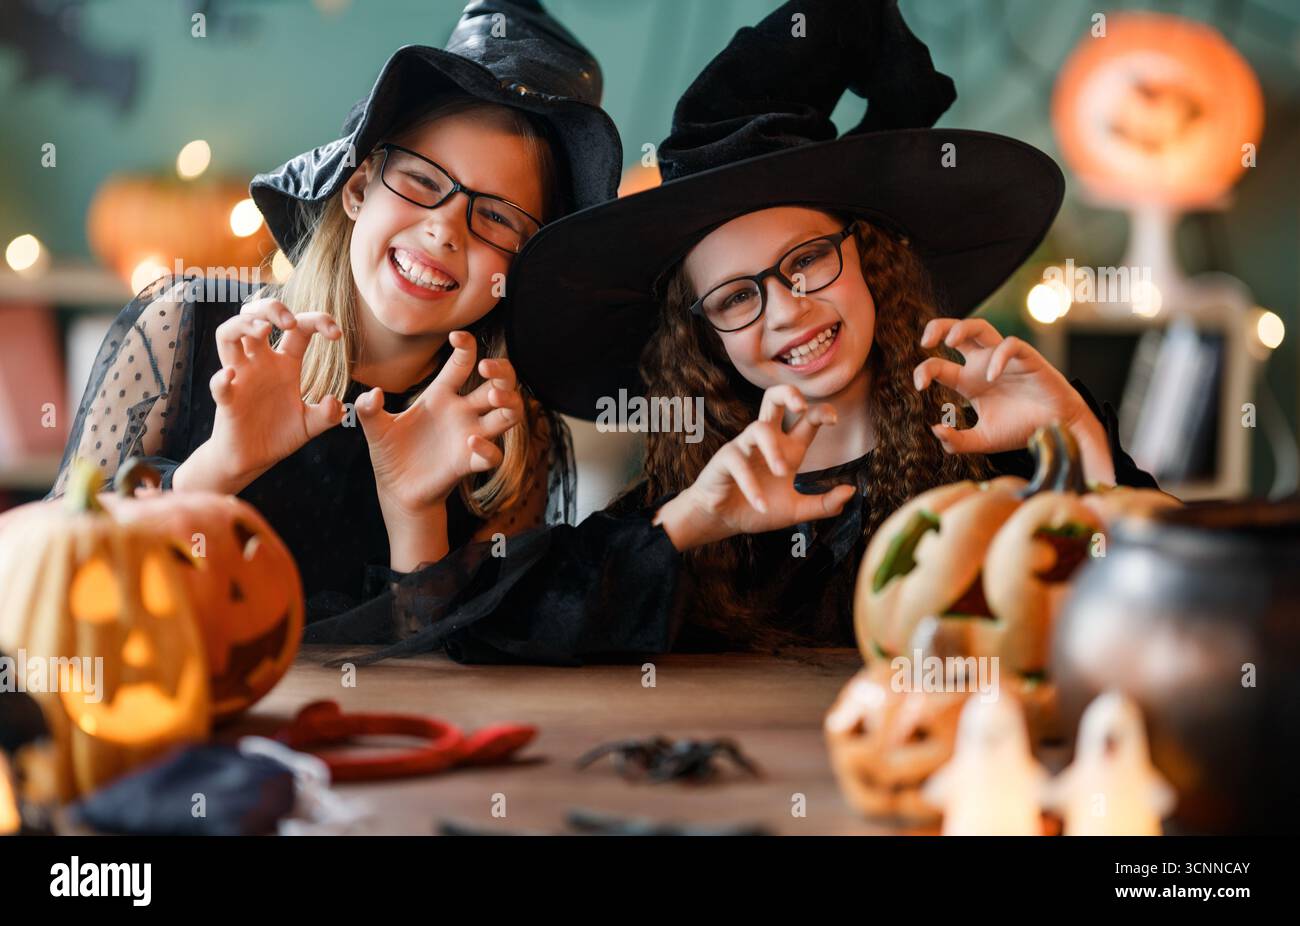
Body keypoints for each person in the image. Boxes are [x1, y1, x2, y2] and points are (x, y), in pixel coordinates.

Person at [308, 0, 1162, 664]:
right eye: (734, 298)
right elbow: (483, 636)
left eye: (806, 262)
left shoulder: (1011, 435)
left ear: (866, 256)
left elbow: (1201, 599)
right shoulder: (708, 491)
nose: (786, 310)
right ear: (703, 334)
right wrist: (689, 523)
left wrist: (1079, 444)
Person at [46, 1, 622, 620]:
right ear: (356, 189)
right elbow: (52, 582)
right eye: (425, 183)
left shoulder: (502, 428)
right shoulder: (180, 329)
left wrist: (414, 514)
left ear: (523, 264)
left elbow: (448, 678)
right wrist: (220, 466)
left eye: (498, 217)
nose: (445, 230)